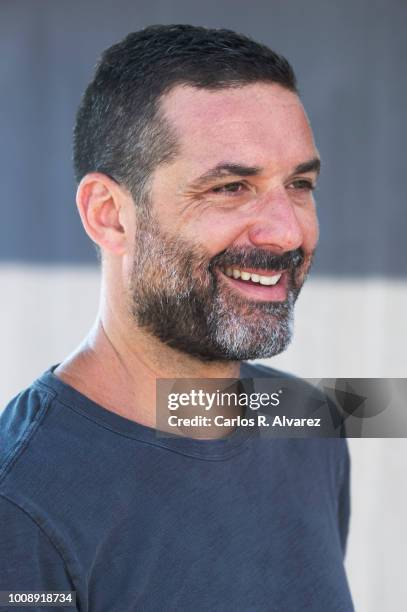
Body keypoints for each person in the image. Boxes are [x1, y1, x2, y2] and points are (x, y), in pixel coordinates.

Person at [0, 24, 354, 611]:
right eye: (231, 187)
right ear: (110, 214)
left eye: (299, 183)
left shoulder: (309, 420)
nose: (288, 231)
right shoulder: (22, 504)